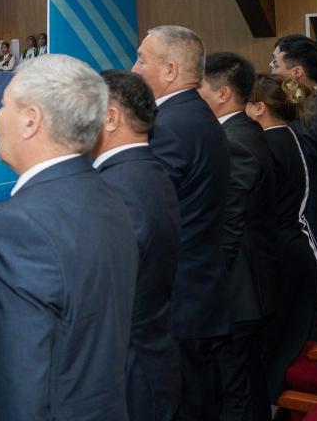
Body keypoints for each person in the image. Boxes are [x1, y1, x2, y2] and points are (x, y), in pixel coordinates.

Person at [0, 55, 137, 421]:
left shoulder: (21, 226)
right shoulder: (108, 196)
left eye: (3, 106)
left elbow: (19, 379)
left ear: (31, 120)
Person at [132, 25, 231, 421]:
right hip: (199, 293)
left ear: (170, 70)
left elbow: (150, 214)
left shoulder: (168, 126)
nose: (134, 69)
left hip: (179, 300)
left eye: (141, 59)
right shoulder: (195, 115)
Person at [94, 70, 181, 421]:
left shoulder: (117, 187)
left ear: (110, 117)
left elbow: (107, 293)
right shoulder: (146, 170)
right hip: (150, 355)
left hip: (130, 372)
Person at [200, 52, 278, 421]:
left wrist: (209, 283)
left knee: (235, 392)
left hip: (239, 289)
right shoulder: (241, 132)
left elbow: (229, 227)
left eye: (200, 88)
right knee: (247, 382)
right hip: (247, 285)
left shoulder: (236, 141)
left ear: (223, 93)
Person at [246, 74, 317, 403]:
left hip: (284, 254)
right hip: (296, 248)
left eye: (246, 104)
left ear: (259, 108)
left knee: (276, 351)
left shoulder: (269, 145)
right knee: (284, 345)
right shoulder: (286, 136)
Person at [270, 34, 317, 339]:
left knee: (313, 309)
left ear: (296, 72)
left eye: (276, 64)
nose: (272, 71)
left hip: (314, 222)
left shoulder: (311, 115)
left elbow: (297, 174)